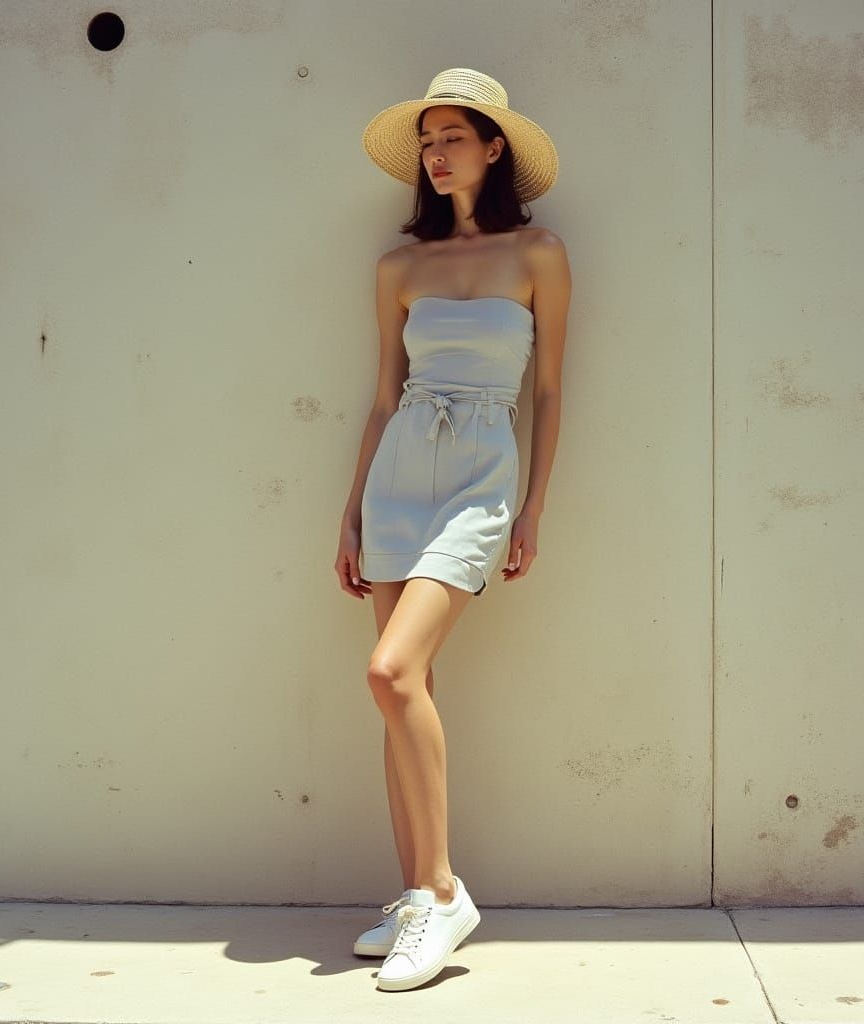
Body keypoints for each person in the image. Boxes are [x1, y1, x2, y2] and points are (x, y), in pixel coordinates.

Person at [335, 67, 571, 992]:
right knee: (407, 689)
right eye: (425, 141)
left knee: (388, 674)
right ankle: (412, 896)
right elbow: (383, 396)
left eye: (451, 138)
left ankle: (441, 892)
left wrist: (535, 504)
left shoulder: (539, 254)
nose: (434, 156)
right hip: (398, 475)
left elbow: (548, 390)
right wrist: (351, 508)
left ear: (494, 145)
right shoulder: (399, 267)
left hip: (479, 476)